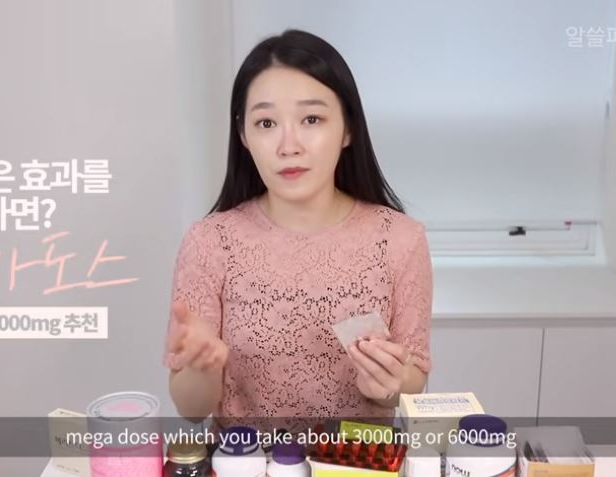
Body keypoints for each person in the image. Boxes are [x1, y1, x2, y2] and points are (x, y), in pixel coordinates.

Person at [163, 29, 432, 430]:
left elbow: (414, 381)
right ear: (244, 135)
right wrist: (201, 367)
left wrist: (388, 386)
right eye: (266, 122)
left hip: (356, 459)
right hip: (246, 459)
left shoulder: (401, 240)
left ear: (348, 129)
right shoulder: (209, 243)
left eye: (311, 119)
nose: (288, 145)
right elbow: (191, 409)